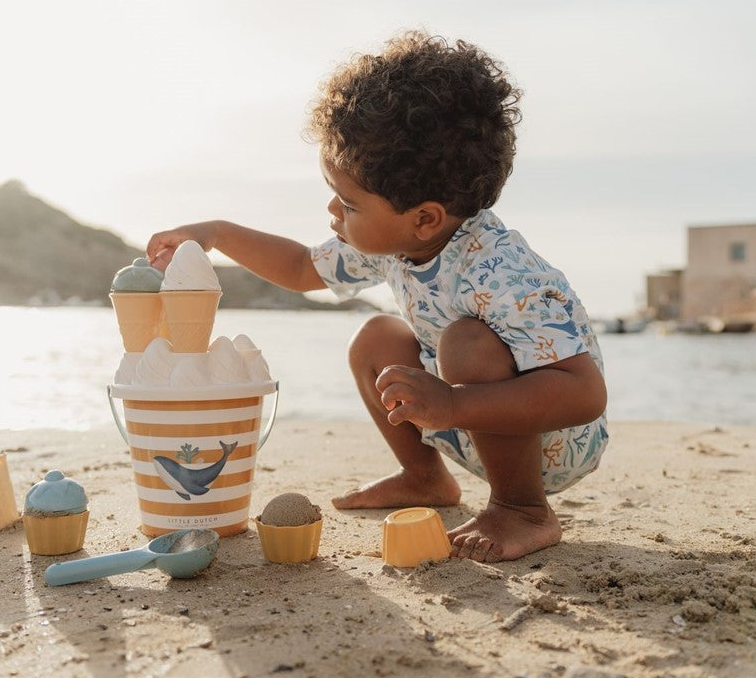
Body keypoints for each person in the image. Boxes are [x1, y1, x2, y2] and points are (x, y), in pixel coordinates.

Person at [147, 31, 608, 562]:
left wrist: (454, 403)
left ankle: (523, 509)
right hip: (466, 417)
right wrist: (219, 234)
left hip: (551, 439)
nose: (332, 213)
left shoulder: (499, 269)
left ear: (425, 217)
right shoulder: (393, 242)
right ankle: (425, 478)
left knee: (465, 342)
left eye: (348, 202)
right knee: (376, 338)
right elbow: (301, 268)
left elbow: (584, 394)